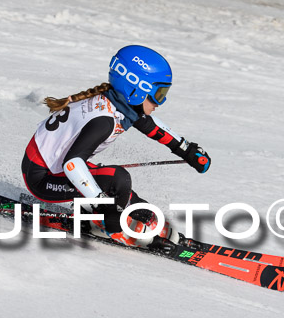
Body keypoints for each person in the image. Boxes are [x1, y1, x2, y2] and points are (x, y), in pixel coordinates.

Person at [21, 45, 211, 248]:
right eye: (159, 93)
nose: (160, 102)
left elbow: (150, 125)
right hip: (42, 178)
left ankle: (147, 224)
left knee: (129, 197)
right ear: (137, 89)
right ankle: (111, 226)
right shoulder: (104, 120)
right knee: (117, 179)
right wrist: (103, 206)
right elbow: (72, 164)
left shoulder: (116, 105)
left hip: (53, 171)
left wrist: (186, 150)